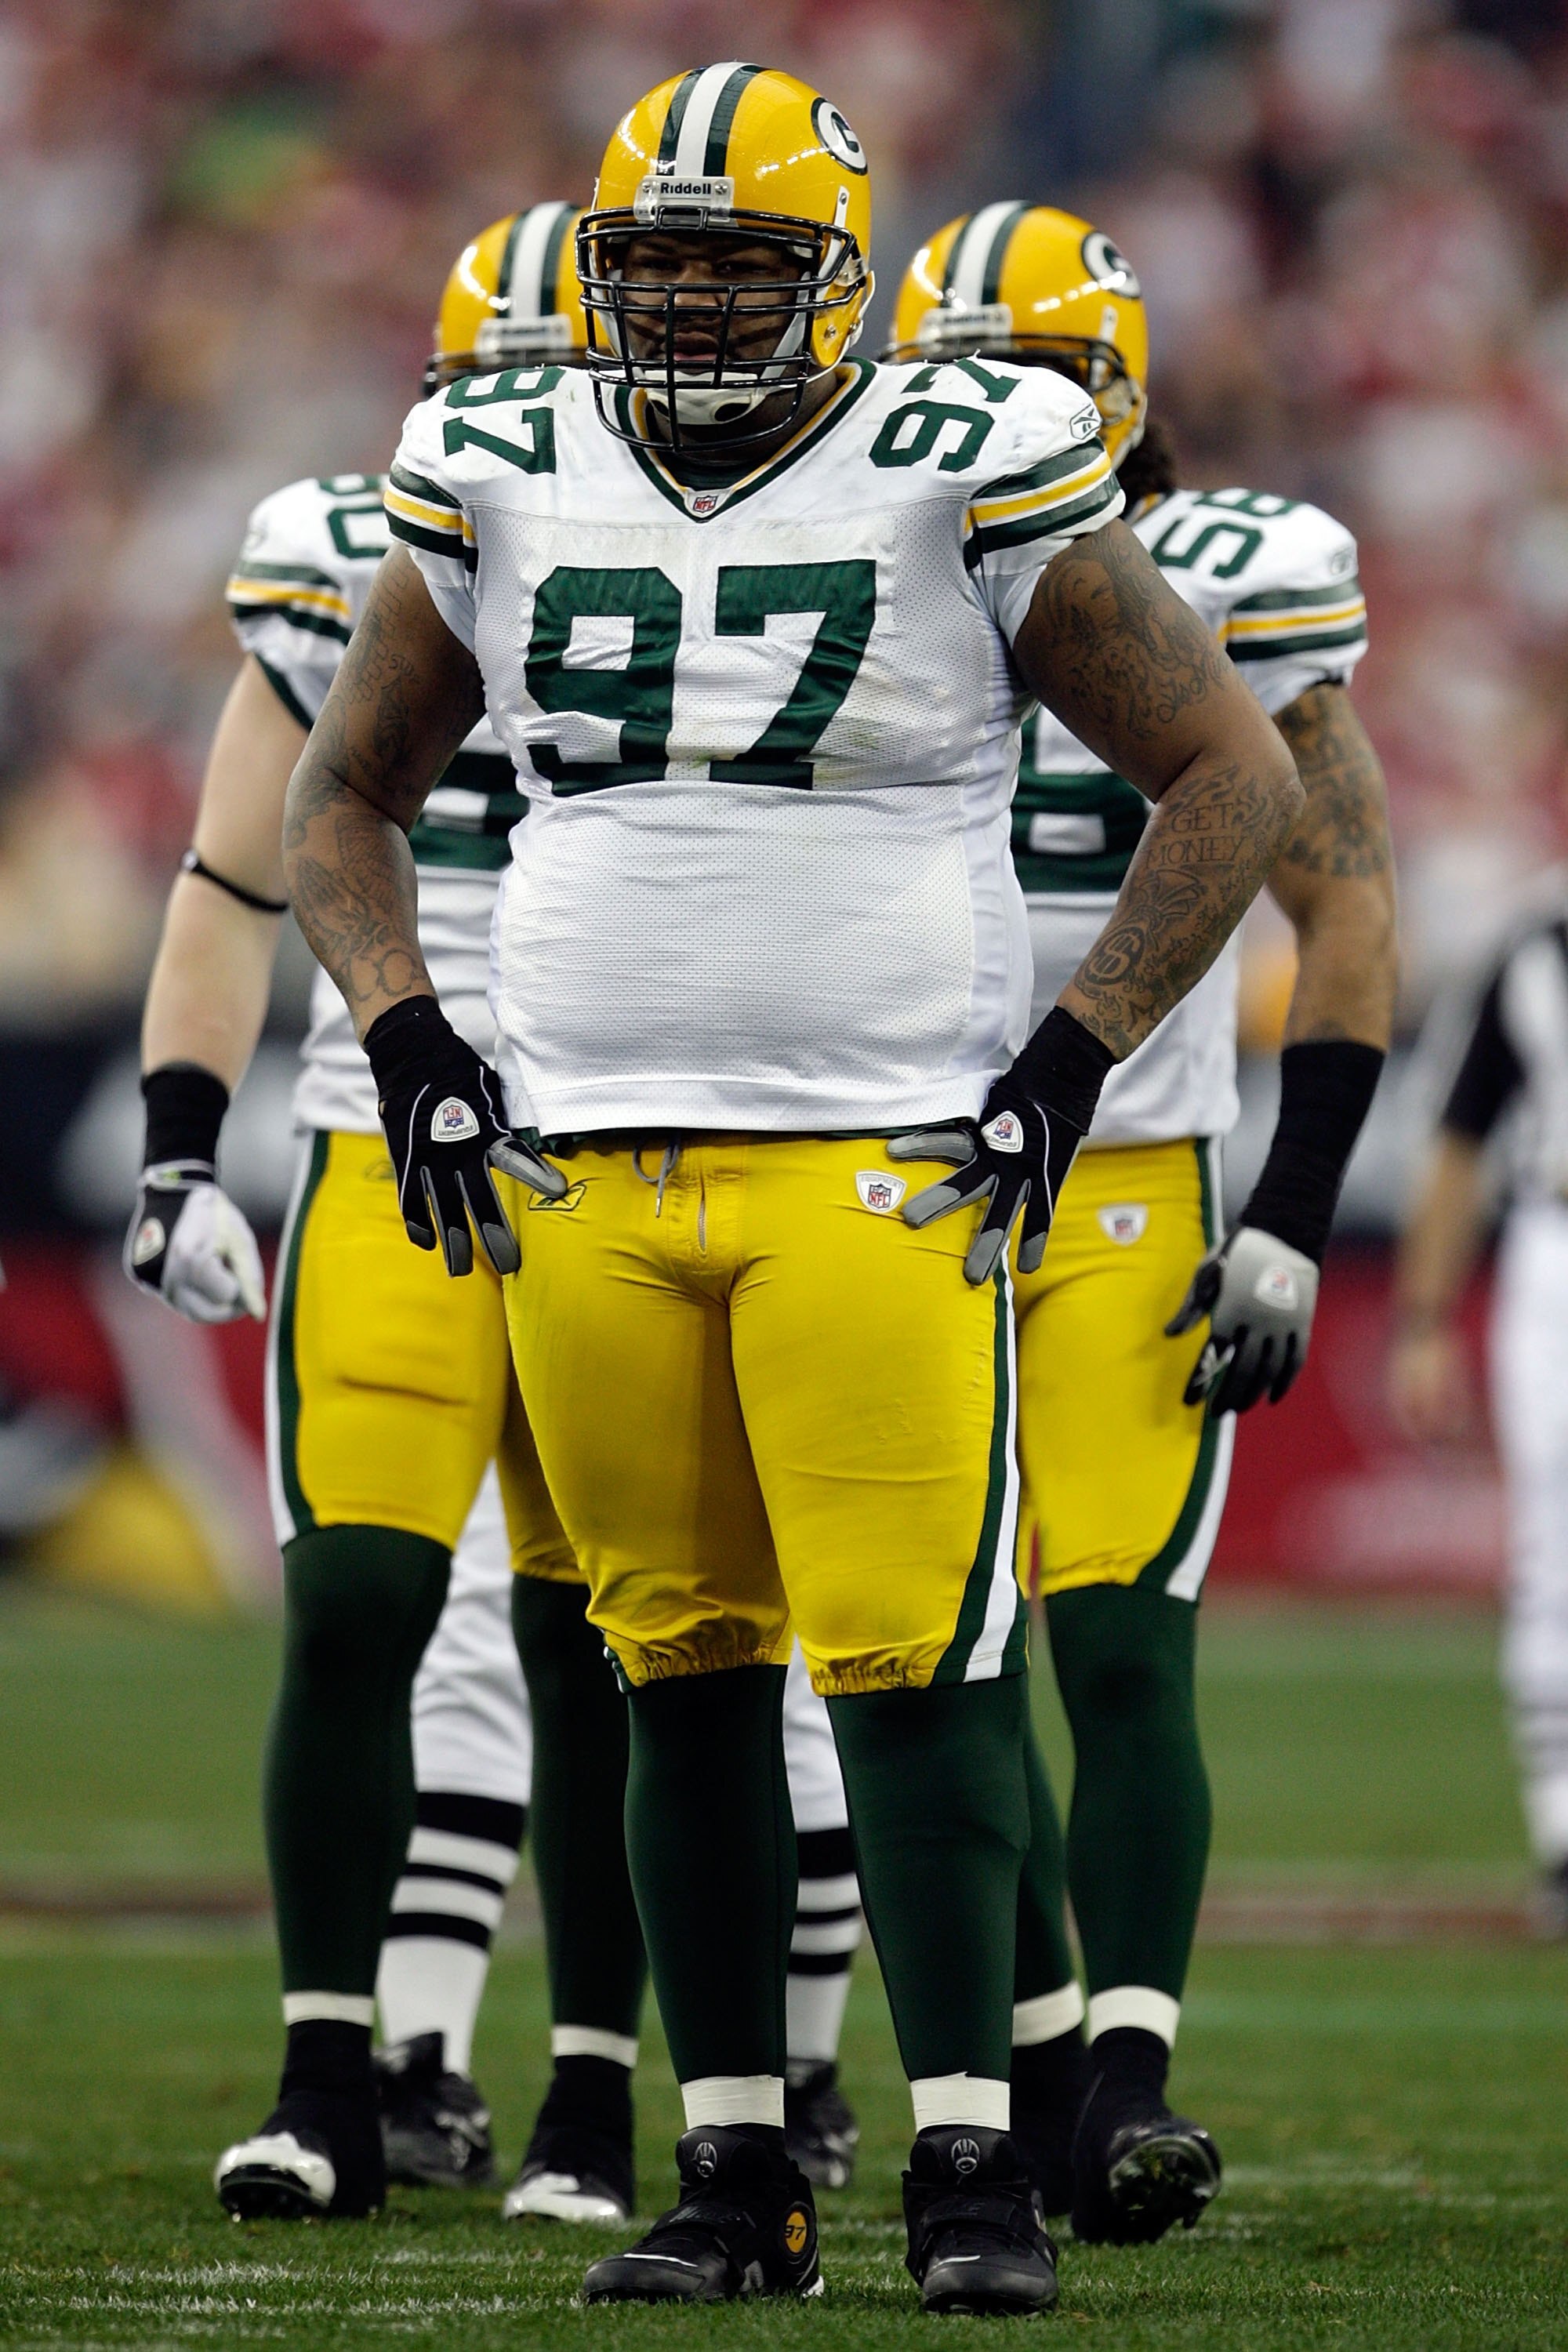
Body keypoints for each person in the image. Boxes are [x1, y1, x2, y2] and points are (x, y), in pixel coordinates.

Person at [279, 63, 1305, 2314]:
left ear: (841, 275)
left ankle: (969, 2172)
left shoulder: (962, 451)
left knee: (920, 1676)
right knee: (677, 1679)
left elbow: (1223, 776)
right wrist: (410, 1038)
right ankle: (733, 2172)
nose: (699, 315)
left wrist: (1068, 1062)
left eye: (744, 268)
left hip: (879, 1162)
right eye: (657, 273)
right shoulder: (504, 459)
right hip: (577, 1161)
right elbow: (340, 795)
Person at [125, 207, 648, 2226]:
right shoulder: (342, 547)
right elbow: (231, 880)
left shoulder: (725, 548)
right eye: (483, 385)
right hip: (379, 1123)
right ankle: (329, 2071)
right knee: (355, 1610)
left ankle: (597, 2095)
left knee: (609, 1638)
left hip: (626, 1130)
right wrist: (184, 1144)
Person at [887, 203, 1396, 2244]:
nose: (1005, 415)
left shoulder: (1233, 575)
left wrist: (1289, 1216)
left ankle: (1121, 2085)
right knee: (945, 1643)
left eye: (1040, 374)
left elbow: (1346, 898)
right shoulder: (850, 568)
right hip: (899, 1171)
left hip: (1129, 1180)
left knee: (1112, 1630)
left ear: (1121, 385)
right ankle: (1028, 2062)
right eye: (972, 376)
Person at [1388, 877, 1568, 1932]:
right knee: (1552, 1543)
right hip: (1554, 1241)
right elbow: (1459, 1139)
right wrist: (1421, 1319)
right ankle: (1560, 1829)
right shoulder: (1533, 948)